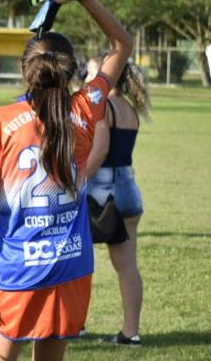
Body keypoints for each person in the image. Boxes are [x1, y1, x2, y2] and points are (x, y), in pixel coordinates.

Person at [0, 0, 134, 361]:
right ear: (70, 69)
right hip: (71, 266)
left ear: (25, 69)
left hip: (18, 271)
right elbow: (122, 44)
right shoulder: (85, 106)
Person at [85, 56, 150, 347]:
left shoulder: (103, 107)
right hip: (129, 190)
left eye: (89, 73)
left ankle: (75, 324)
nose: (86, 79)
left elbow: (99, 152)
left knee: (79, 258)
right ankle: (130, 332)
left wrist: (75, 181)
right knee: (128, 266)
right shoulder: (130, 108)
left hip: (102, 193)